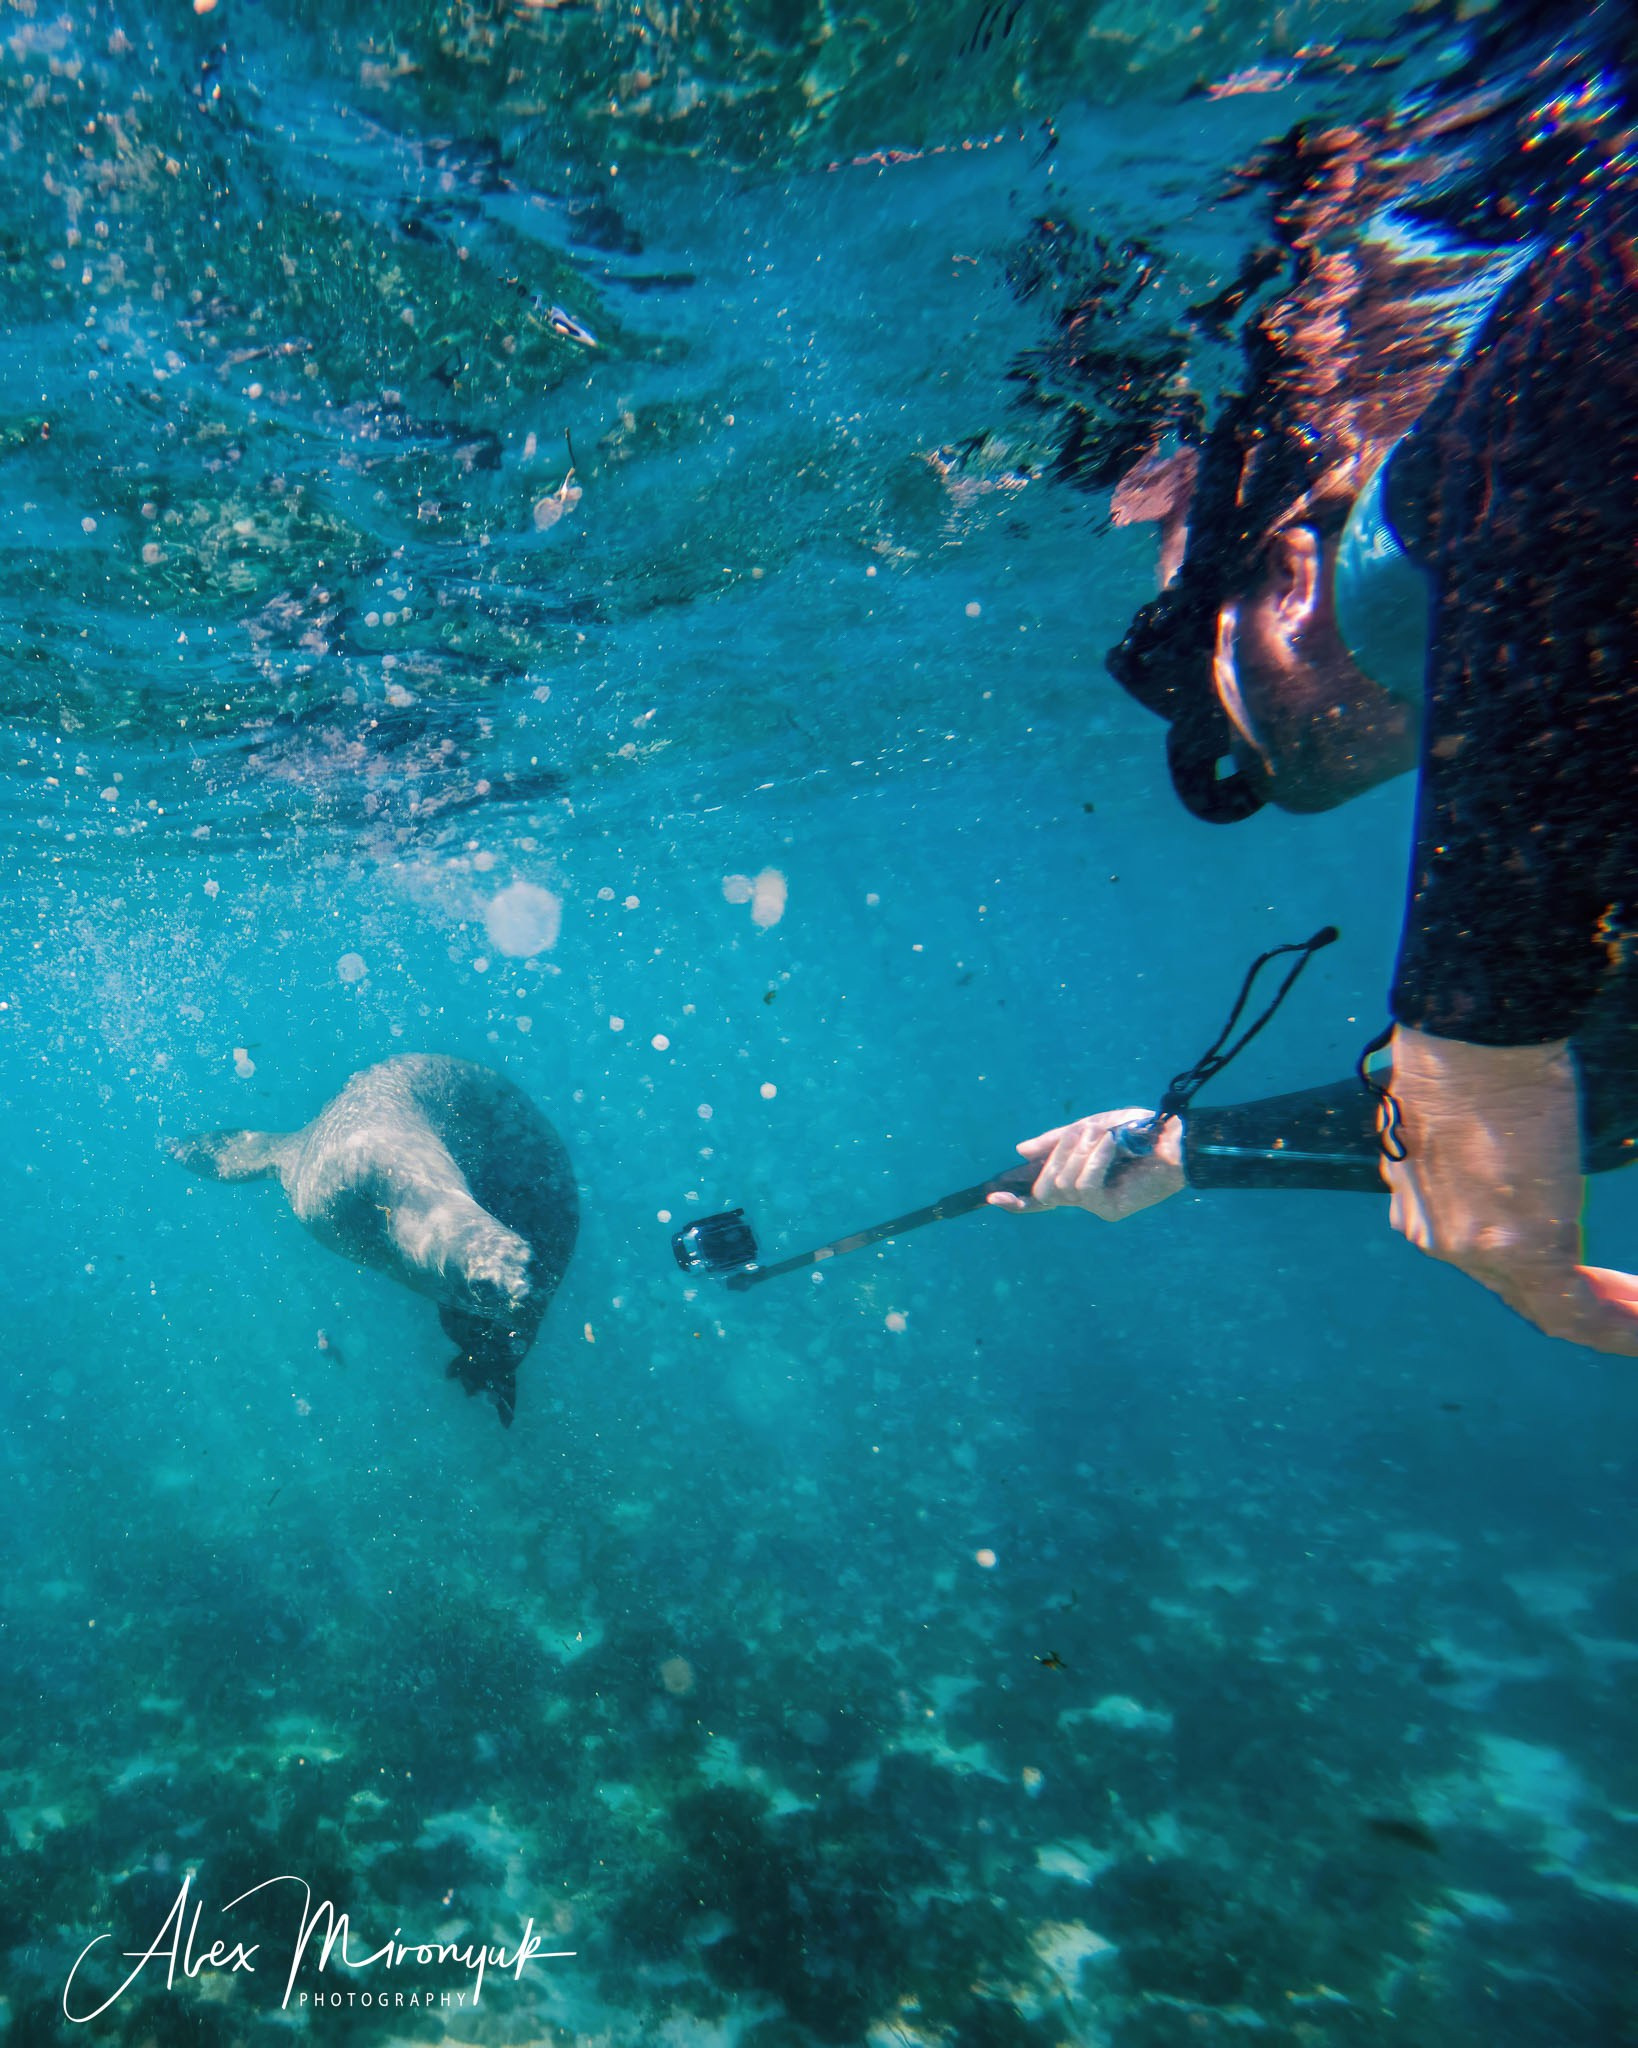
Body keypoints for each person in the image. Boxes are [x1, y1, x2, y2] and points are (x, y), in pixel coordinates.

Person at [992, 2, 1638, 1354]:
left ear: (1288, 581)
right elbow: (1598, 1087)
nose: (1272, 775)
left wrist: (1471, 1024)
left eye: (1235, 713)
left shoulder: (1474, 527)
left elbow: (1555, 402)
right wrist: (1195, 1148)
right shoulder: (1577, 748)